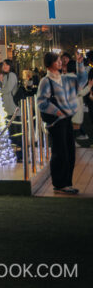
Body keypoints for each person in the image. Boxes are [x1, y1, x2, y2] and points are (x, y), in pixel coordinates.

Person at [37, 50, 88, 195]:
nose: (60, 62)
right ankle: (60, 184)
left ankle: (66, 183)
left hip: (66, 120)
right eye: (57, 60)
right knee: (60, 152)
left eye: (60, 60)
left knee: (70, 152)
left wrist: (80, 64)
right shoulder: (45, 81)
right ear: (49, 64)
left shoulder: (66, 79)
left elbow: (82, 81)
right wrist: (56, 111)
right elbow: (41, 102)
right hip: (56, 122)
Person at [0, 59, 21, 160]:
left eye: (7, 65)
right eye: (3, 65)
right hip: (7, 109)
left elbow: (7, 90)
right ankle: (13, 154)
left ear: (10, 66)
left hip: (14, 109)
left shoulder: (12, 75)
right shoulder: (5, 76)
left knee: (16, 133)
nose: (5, 67)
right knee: (10, 133)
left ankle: (19, 154)